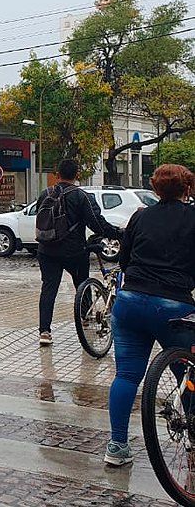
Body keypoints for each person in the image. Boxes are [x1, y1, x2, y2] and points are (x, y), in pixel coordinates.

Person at [105, 164, 195, 466]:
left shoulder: (140, 216)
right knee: (188, 373)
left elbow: (124, 259)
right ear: (187, 188)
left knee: (126, 376)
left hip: (130, 302)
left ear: (155, 189)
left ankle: (117, 446)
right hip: (174, 307)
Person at [35, 159, 123, 346]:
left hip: (46, 249)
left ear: (57, 174)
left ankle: (44, 332)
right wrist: (118, 234)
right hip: (73, 251)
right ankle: (85, 317)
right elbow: (96, 223)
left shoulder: (45, 193)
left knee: (48, 289)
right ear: (77, 175)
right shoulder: (81, 196)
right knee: (82, 283)